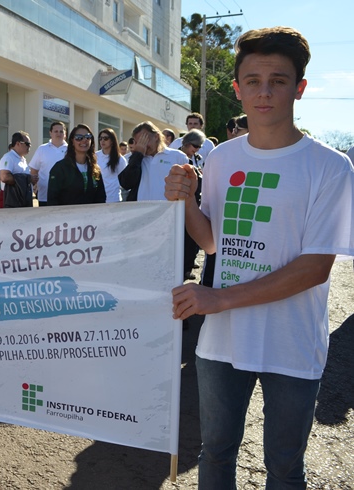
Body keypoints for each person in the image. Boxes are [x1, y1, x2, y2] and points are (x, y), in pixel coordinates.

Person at [164, 26, 354, 488]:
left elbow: (315, 267)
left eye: (278, 80)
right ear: (237, 89)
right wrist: (185, 201)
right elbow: (213, 242)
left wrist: (218, 299)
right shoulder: (222, 159)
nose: (264, 92)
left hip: (292, 341)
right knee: (214, 455)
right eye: (253, 81)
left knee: (285, 468)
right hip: (222, 342)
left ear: (299, 88)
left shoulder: (330, 166)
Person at [118, 121, 188, 202]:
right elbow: (126, 183)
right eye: (138, 142)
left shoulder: (178, 156)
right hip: (142, 208)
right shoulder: (135, 158)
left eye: (144, 140)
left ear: (156, 137)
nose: (142, 145)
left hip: (169, 208)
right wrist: (138, 155)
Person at [47, 124, 106, 205]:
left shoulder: (95, 169)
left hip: (91, 212)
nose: (84, 140)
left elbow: (101, 197)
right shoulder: (60, 168)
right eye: (79, 137)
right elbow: (52, 199)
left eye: (87, 137)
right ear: (72, 141)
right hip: (67, 212)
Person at [177, 129, 207, 280]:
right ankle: (179, 269)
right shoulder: (177, 156)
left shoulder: (198, 158)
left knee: (191, 239)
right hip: (180, 202)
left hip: (195, 202)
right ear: (187, 143)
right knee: (180, 239)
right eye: (195, 146)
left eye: (200, 146)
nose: (197, 149)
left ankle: (187, 268)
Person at [29, 121, 68, 206]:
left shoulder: (70, 150)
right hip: (44, 196)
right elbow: (34, 170)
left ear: (65, 134)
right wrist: (35, 187)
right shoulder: (42, 149)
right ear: (50, 133)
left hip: (66, 196)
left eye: (61, 131)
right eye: (56, 131)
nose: (58, 134)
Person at [0, 131, 33, 208]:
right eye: (27, 144)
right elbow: (4, 177)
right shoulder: (8, 157)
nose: (29, 147)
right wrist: (28, 179)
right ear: (18, 144)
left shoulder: (22, 159)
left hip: (22, 199)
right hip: (11, 200)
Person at [96, 128, 127, 203]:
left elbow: (124, 181)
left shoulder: (120, 159)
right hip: (98, 198)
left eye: (106, 138)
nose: (102, 141)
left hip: (114, 199)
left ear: (112, 141)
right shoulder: (95, 156)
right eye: (100, 138)